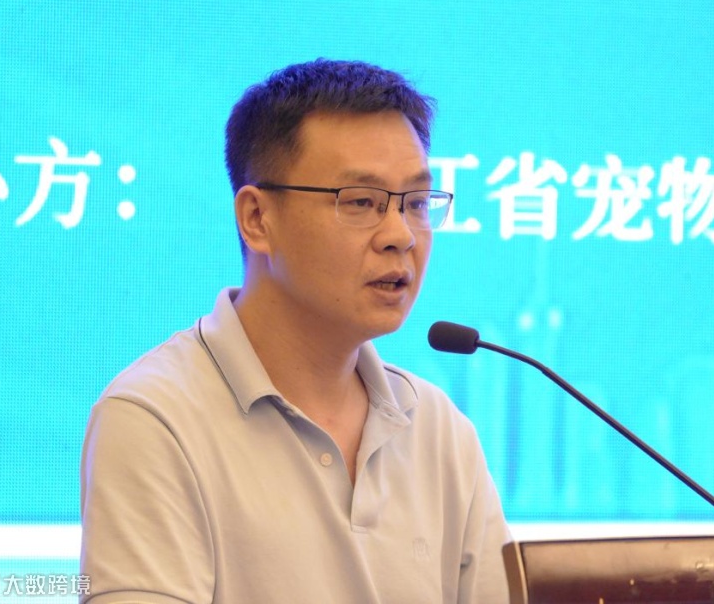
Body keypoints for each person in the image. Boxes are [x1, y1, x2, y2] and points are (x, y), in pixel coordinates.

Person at [79, 59, 511, 603]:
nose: (401, 235)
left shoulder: (438, 430)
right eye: (361, 202)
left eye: (417, 204)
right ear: (257, 219)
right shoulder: (155, 419)